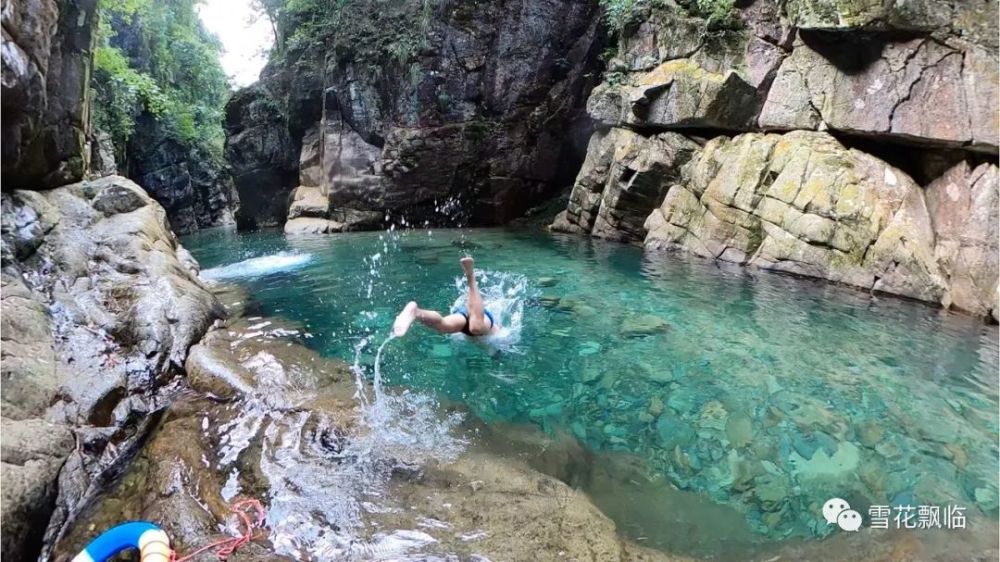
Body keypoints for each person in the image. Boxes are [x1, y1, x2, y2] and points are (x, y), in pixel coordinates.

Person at [393, 256, 498, 337]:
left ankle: (417, 312)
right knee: (476, 327)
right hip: (484, 322)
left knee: (443, 325)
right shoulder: (498, 337)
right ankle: (470, 275)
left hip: (465, 322)